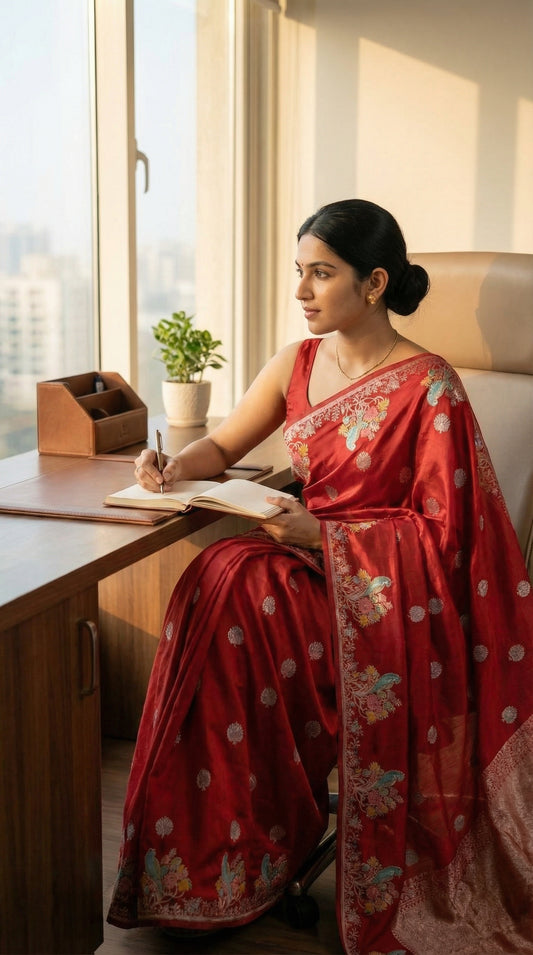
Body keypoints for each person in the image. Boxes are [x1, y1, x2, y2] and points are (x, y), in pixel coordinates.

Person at [107, 199, 533, 954]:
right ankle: (211, 866)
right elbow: (224, 445)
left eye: (321, 273)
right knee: (219, 576)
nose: (301, 291)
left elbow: (446, 539)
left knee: (240, 588)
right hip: (304, 563)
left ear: (374, 283)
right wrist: (172, 468)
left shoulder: (430, 386)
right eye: (298, 271)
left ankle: (244, 855)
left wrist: (328, 535)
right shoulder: (296, 364)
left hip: (386, 597)